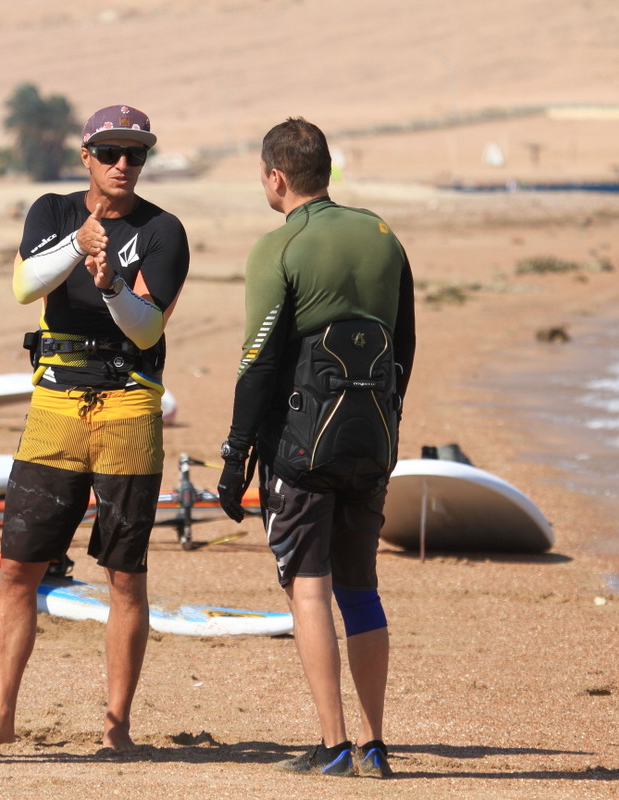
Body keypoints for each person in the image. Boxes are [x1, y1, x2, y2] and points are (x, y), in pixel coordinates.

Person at [0, 104, 189, 752]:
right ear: (85, 156)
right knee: (18, 568)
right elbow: (24, 286)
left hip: (129, 407)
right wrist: (78, 245)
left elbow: (148, 328)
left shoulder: (163, 230)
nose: (124, 164)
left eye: (136, 154)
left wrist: (112, 284)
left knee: (125, 575)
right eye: (110, 152)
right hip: (55, 405)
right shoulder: (52, 211)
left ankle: (117, 726)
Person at [216, 117, 416, 778]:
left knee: (309, 585)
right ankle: (376, 744)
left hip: (301, 450)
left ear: (276, 177)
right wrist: (383, 423)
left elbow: (259, 363)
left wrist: (235, 456)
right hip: (372, 442)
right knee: (361, 587)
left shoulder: (279, 247)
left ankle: (333, 745)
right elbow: (404, 346)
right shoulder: (383, 236)